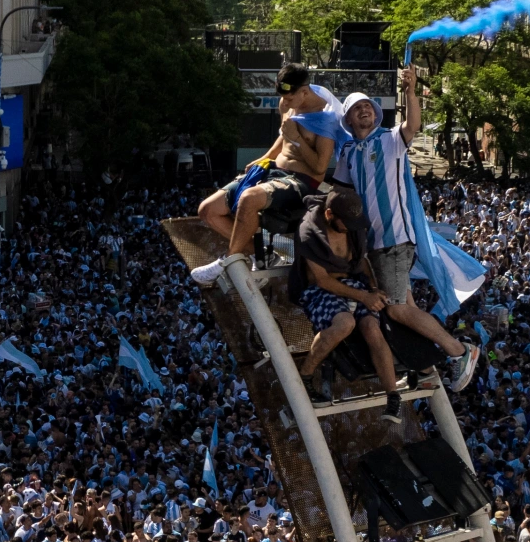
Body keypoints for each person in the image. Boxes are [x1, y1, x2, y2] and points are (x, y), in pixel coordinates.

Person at [330, 71, 478, 392]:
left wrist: (411, 92)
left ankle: (459, 351)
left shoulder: (390, 138)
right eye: (358, 109)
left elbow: (413, 125)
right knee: (405, 309)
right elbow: (338, 194)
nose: (365, 110)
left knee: (395, 309)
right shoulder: (347, 154)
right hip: (375, 247)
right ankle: (424, 368)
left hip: (396, 240)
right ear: (349, 120)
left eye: (368, 106)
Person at [192, 65, 337, 284]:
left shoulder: (326, 117)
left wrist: (297, 138)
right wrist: (265, 157)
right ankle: (259, 254)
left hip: (301, 180)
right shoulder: (285, 104)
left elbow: (319, 167)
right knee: (208, 210)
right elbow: (284, 138)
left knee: (249, 199)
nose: (285, 104)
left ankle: (229, 258)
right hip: (273, 170)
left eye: (289, 99)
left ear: (304, 93)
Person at [290, 189, 407, 422]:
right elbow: (322, 279)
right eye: (346, 223)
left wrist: (372, 289)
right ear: (330, 214)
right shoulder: (308, 233)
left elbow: (362, 262)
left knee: (372, 328)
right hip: (321, 289)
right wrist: (363, 297)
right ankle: (305, 373)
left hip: (354, 282)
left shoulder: (352, 230)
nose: (349, 227)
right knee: (345, 323)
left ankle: (392, 395)